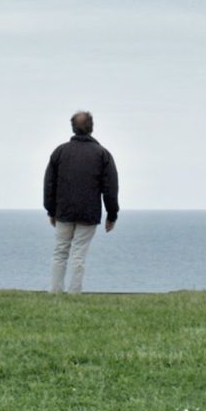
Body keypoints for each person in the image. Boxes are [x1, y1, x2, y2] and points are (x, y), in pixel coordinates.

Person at [42, 109, 119, 294]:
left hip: (63, 211)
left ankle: (55, 291)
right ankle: (74, 292)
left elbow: (49, 184)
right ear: (91, 128)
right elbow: (111, 188)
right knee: (79, 254)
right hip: (88, 212)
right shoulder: (102, 154)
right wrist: (112, 215)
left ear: (73, 128)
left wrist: (51, 210)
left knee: (60, 251)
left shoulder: (60, 152)